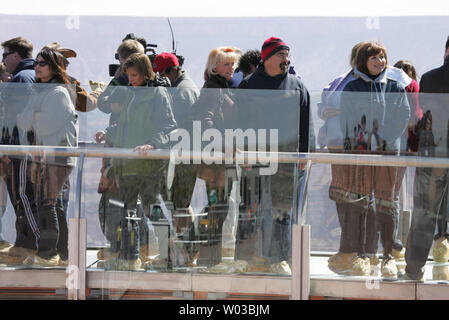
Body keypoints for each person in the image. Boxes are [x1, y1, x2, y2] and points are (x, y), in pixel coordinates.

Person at [238, 37, 312, 275]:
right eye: (281, 55)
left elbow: (306, 123)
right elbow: (239, 122)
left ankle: (279, 259)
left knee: (282, 210)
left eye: (287, 55)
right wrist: (244, 153)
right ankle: (248, 257)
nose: (286, 59)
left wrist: (304, 154)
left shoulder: (297, 86)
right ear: (267, 57)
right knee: (251, 208)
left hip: (286, 159)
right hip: (256, 158)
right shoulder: (249, 85)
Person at [339, 41, 410, 279]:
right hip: (361, 155)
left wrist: (382, 137)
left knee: (386, 205)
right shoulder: (351, 89)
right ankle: (363, 254)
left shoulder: (394, 87)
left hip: (388, 154)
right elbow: (347, 123)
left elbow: (403, 116)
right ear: (363, 62)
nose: (380, 62)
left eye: (382, 58)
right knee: (361, 205)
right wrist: (354, 148)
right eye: (374, 58)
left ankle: (388, 257)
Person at [103, 52, 176, 271]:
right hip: (128, 164)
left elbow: (168, 126)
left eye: (135, 75)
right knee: (127, 211)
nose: (131, 79)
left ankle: (169, 255)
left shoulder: (157, 94)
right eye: (129, 75)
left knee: (152, 208)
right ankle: (130, 257)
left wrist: (152, 144)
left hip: (148, 164)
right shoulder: (131, 94)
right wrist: (108, 134)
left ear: (146, 73)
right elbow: (127, 126)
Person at [16, 47, 78, 266]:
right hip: (45, 156)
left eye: (42, 63)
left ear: (53, 66)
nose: (37, 67)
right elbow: (22, 122)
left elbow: (44, 126)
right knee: (53, 204)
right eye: (36, 63)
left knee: (47, 203)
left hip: (57, 157)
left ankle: (48, 253)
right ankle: (63, 254)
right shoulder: (41, 91)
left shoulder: (58, 93)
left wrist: (34, 117)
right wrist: (35, 116)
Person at [404, 36, 449, 281]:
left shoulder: (431, 78)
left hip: (435, 152)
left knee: (425, 212)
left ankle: (413, 268)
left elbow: (428, 118)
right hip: (436, 151)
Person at [195, 46, 242, 271]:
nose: (231, 68)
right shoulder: (213, 88)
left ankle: (207, 252)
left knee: (218, 205)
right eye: (226, 64)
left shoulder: (222, 87)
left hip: (222, 158)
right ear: (214, 67)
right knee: (217, 206)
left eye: (233, 64)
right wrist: (220, 142)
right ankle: (207, 254)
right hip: (216, 161)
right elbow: (206, 119)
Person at [153, 52, 200, 267]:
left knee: (179, 206)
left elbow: (177, 129)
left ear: (173, 70)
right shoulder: (183, 87)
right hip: (185, 155)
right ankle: (186, 251)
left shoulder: (182, 93)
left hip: (182, 157)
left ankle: (187, 251)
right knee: (180, 205)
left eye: (162, 74)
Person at [0, 37, 39, 265]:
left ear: (15, 55)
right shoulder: (33, 75)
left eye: (5, 55)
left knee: (22, 197)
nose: (3, 60)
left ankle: (28, 245)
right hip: (26, 147)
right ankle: (24, 245)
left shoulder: (22, 78)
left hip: (19, 146)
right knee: (25, 197)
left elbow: (7, 113)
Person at [43, 42, 105, 113]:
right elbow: (86, 103)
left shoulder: (35, 79)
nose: (67, 62)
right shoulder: (66, 82)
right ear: (55, 61)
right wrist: (98, 91)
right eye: (63, 59)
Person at [393, 60, 423, 153]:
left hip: (395, 128)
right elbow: (416, 109)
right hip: (413, 128)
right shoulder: (413, 85)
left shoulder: (390, 85)